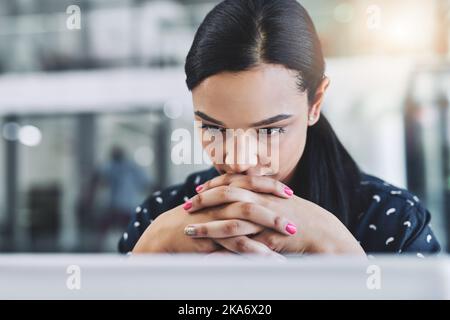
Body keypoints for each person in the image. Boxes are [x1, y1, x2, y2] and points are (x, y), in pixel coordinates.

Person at [118, 0, 440, 257]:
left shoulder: (393, 221)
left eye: (268, 131)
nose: (238, 161)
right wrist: (150, 250)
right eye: (214, 128)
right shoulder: (159, 221)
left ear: (315, 103)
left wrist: (340, 252)